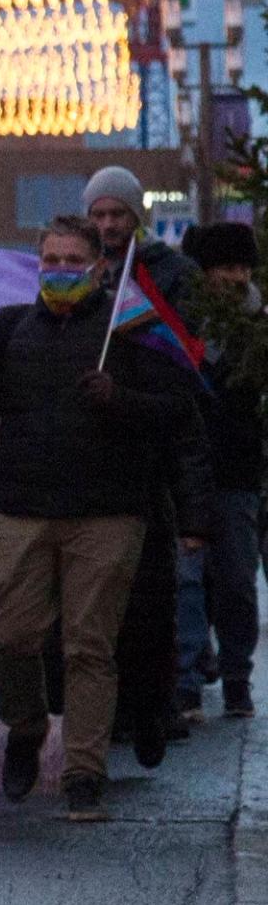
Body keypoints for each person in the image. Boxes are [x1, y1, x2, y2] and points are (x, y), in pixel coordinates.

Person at [0, 212, 210, 818]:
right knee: (12, 636)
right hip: (25, 509)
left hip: (108, 512)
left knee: (89, 646)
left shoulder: (131, 331)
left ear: (98, 268)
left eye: (72, 262)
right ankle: (27, 727)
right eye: (50, 260)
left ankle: (83, 771)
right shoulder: (12, 329)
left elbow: (177, 415)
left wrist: (122, 400)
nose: (59, 271)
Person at [83, 167, 208, 724]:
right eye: (99, 215)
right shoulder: (81, 271)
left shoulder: (169, 274)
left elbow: (186, 357)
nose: (109, 225)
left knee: (161, 584)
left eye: (117, 214)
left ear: (136, 217)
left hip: (155, 440)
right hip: (98, 450)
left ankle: (169, 691)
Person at [183, 222, 265, 720]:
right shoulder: (187, 326)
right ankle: (188, 679)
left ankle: (237, 677)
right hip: (189, 471)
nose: (234, 278)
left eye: (241, 267)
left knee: (236, 579)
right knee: (188, 580)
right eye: (224, 268)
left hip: (238, 473)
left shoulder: (256, 329)